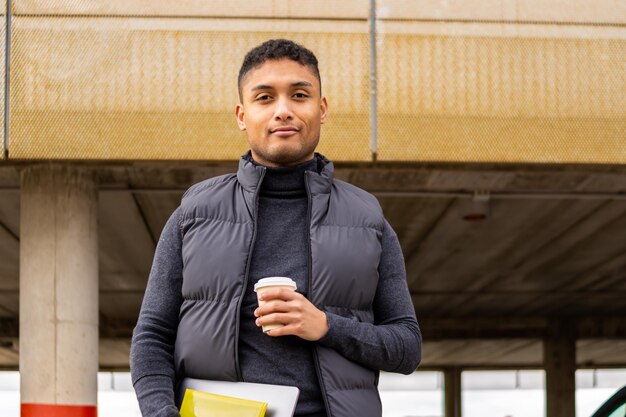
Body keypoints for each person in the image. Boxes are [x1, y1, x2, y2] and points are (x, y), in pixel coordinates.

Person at [130, 39, 422, 417]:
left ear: (322, 108)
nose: (283, 111)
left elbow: (407, 346)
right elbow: (151, 336)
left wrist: (326, 325)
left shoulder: (368, 220)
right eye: (265, 98)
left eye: (299, 95)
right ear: (241, 114)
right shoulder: (193, 215)